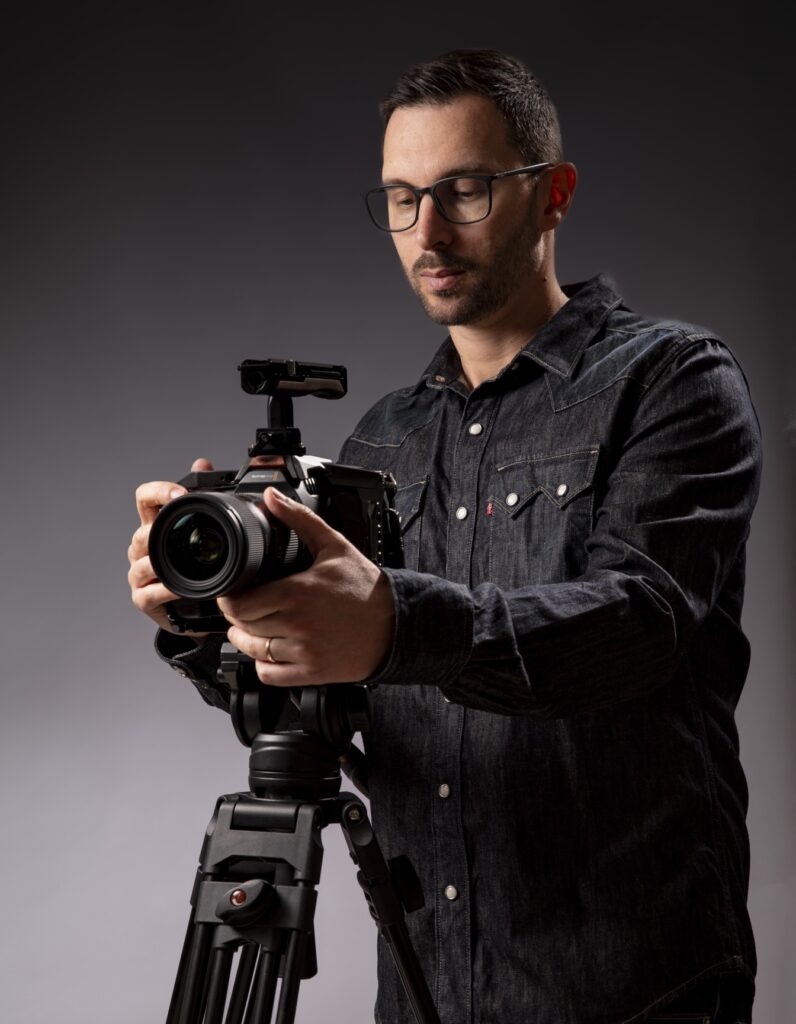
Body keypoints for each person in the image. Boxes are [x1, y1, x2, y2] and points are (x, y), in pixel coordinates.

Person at [128, 49, 761, 1024]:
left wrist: (394, 624)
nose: (427, 230)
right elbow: (325, 698)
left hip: (630, 985)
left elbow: (638, 623)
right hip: (430, 987)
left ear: (553, 194)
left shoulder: (672, 380)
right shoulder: (383, 438)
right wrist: (207, 620)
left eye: (464, 191)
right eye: (400, 197)